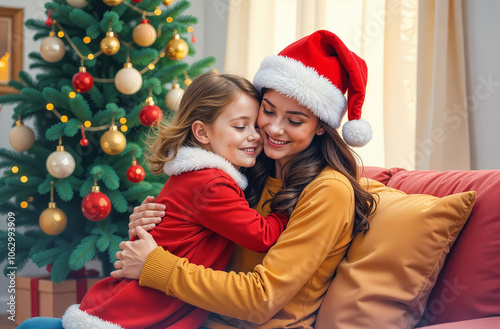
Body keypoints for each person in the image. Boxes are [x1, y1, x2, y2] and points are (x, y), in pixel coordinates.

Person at [113, 30, 378, 328]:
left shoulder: (328, 191)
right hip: (187, 318)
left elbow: (261, 299)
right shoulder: (249, 168)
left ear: (320, 127)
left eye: (294, 120)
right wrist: (155, 222)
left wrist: (155, 265)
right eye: (267, 111)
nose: (273, 129)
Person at [18, 73, 288, 329]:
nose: (255, 135)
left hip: (146, 299)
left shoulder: (198, 177)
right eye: (241, 126)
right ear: (202, 133)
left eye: (256, 126)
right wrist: (291, 206)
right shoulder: (211, 184)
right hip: (146, 307)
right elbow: (261, 235)